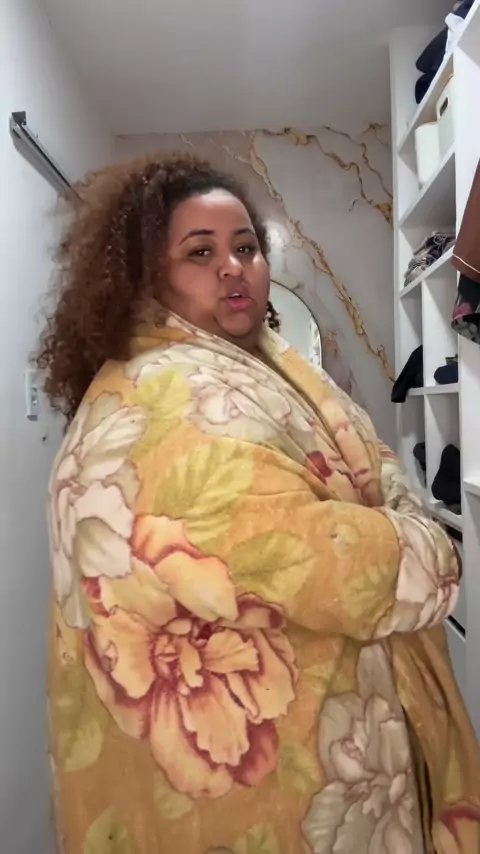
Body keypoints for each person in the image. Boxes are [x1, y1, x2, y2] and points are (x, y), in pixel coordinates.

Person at [39, 152, 480, 854]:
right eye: (200, 252)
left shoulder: (249, 362)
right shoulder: (169, 402)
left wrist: (394, 509)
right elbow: (358, 569)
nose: (232, 267)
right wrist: (425, 536)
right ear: (148, 275)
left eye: (246, 247)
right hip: (268, 801)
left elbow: (375, 469)